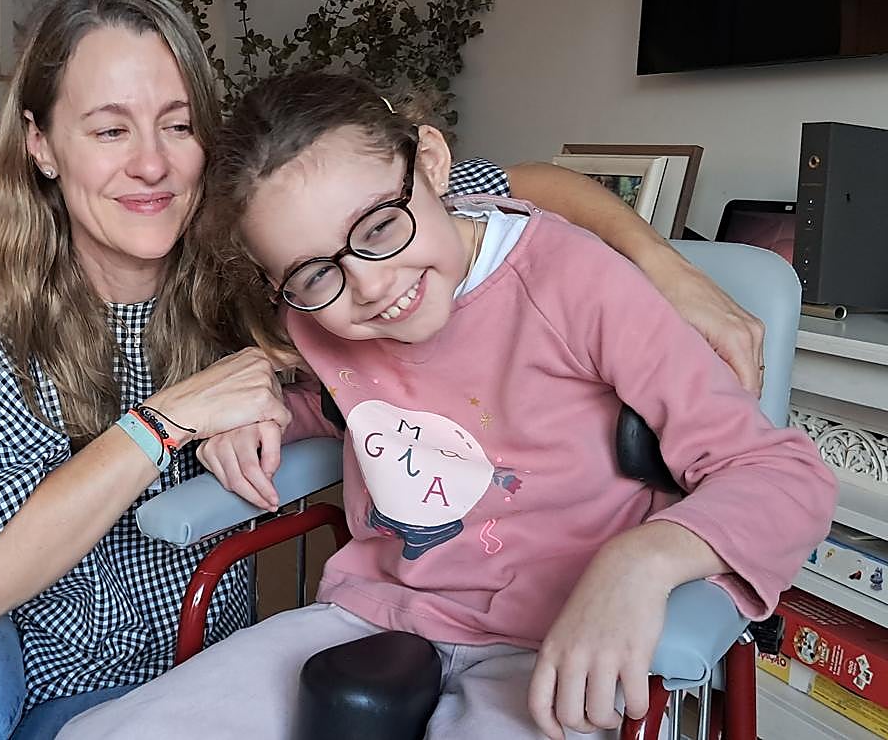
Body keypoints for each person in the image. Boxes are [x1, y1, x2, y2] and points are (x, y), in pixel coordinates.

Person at [0, 0, 770, 740]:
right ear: (40, 146)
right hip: (8, 645)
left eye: (179, 123)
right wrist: (167, 423)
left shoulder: (284, 245)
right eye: (109, 129)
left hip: (193, 656)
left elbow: (523, 193)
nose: (151, 164)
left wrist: (661, 266)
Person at [54, 71, 837, 740]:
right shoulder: (317, 317)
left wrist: (642, 562)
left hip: (551, 638)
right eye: (313, 273)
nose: (369, 285)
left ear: (429, 164)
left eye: (379, 227)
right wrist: (258, 415)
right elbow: (341, 409)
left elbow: (781, 474)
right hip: (376, 615)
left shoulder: (575, 283)